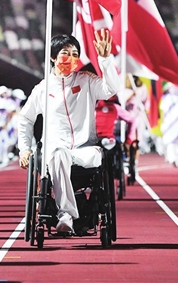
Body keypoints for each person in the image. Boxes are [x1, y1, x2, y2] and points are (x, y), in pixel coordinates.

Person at [18, 29, 120, 234]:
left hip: (86, 150)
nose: (71, 58)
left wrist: (105, 59)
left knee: (77, 156)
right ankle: (66, 215)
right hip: (56, 151)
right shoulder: (43, 88)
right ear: (53, 57)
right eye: (65, 53)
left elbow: (111, 89)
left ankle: (73, 213)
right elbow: (25, 118)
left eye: (75, 54)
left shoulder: (86, 80)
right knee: (58, 154)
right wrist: (25, 149)